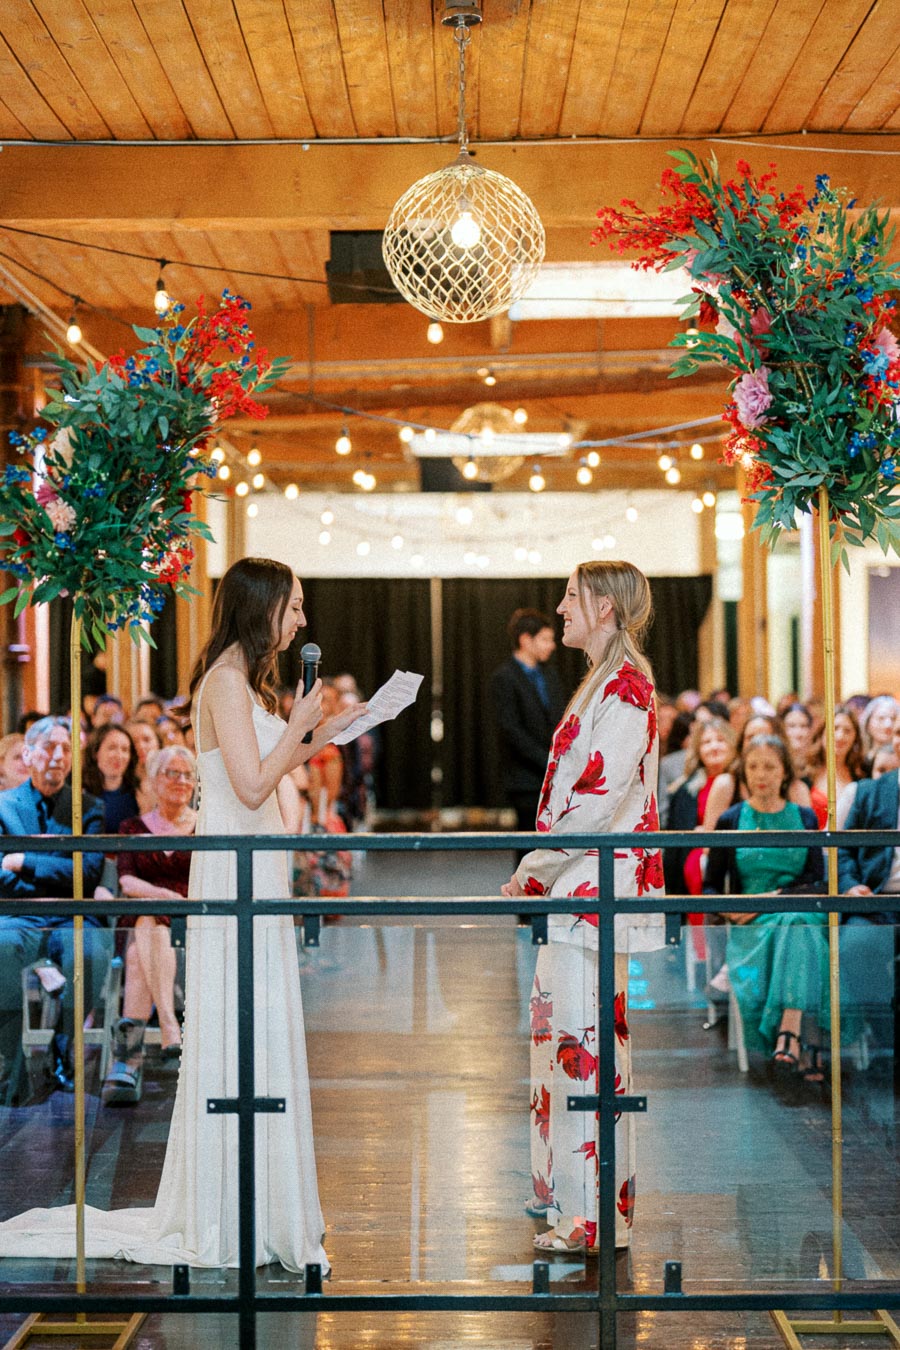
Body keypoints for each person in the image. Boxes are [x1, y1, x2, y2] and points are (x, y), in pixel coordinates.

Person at [0, 557, 364, 1272]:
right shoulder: (225, 681)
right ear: (261, 608)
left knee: (264, 1022)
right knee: (239, 1021)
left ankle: (265, 1199)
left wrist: (328, 732)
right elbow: (255, 788)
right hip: (236, 863)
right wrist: (298, 725)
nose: (301, 620)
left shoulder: (245, 683)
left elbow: (270, 765)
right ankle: (231, 1204)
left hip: (259, 864)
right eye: (293, 606)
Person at [501, 562, 663, 1255]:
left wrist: (531, 869)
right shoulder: (604, 682)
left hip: (592, 891)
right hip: (577, 891)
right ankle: (578, 1204)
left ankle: (591, 1216)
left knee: (585, 1050)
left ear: (601, 605)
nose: (560, 609)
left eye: (570, 597)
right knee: (571, 1046)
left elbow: (596, 801)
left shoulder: (624, 687)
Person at [704, 735, 826, 1084]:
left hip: (796, 906)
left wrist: (777, 896)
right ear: (743, 770)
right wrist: (733, 908)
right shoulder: (731, 819)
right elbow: (711, 885)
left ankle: (788, 1033)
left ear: (785, 771)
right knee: (797, 926)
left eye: (770, 766)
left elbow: (818, 881)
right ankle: (804, 1038)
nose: (761, 774)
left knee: (796, 919)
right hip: (754, 921)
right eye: (754, 765)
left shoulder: (803, 816)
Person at [0, 717, 107, 1096]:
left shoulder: (88, 808)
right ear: (28, 754)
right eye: (49, 747)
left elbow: (88, 873)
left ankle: (64, 1047)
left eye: (66, 749)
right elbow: (0, 876)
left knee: (90, 953)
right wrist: (55, 871)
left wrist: (25, 861)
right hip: (18, 912)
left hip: (71, 912)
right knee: (3, 947)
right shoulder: (4, 806)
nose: (58, 756)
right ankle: (9, 1059)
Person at [100, 746, 199, 1106]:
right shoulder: (133, 827)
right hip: (146, 918)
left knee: (144, 938)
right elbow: (126, 881)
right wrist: (163, 895)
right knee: (146, 924)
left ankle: (127, 1060)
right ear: (154, 781)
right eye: (172, 773)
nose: (181, 781)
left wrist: (172, 902)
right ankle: (170, 1025)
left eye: (188, 774)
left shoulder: (204, 828)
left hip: (191, 923)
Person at [490, 608, 566, 834]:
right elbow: (511, 730)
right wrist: (547, 762)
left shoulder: (550, 674)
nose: (552, 645)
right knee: (529, 847)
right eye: (545, 639)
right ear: (525, 639)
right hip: (525, 780)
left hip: (555, 776)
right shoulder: (504, 677)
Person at [83, 724, 140, 833]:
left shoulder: (139, 793)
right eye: (112, 748)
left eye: (125, 749)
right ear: (95, 753)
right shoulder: (80, 793)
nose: (119, 755)